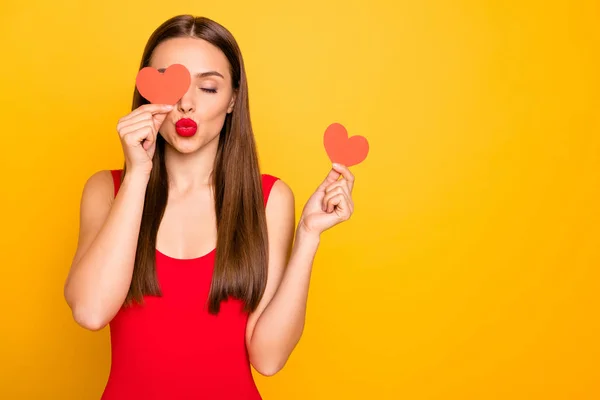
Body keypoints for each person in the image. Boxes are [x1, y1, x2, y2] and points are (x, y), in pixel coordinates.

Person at [63, 14, 356, 399]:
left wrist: (308, 236)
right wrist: (137, 175)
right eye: (172, 84)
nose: (186, 104)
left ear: (234, 98)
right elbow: (90, 312)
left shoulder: (269, 200)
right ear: (148, 93)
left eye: (208, 88)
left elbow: (267, 359)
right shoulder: (108, 189)